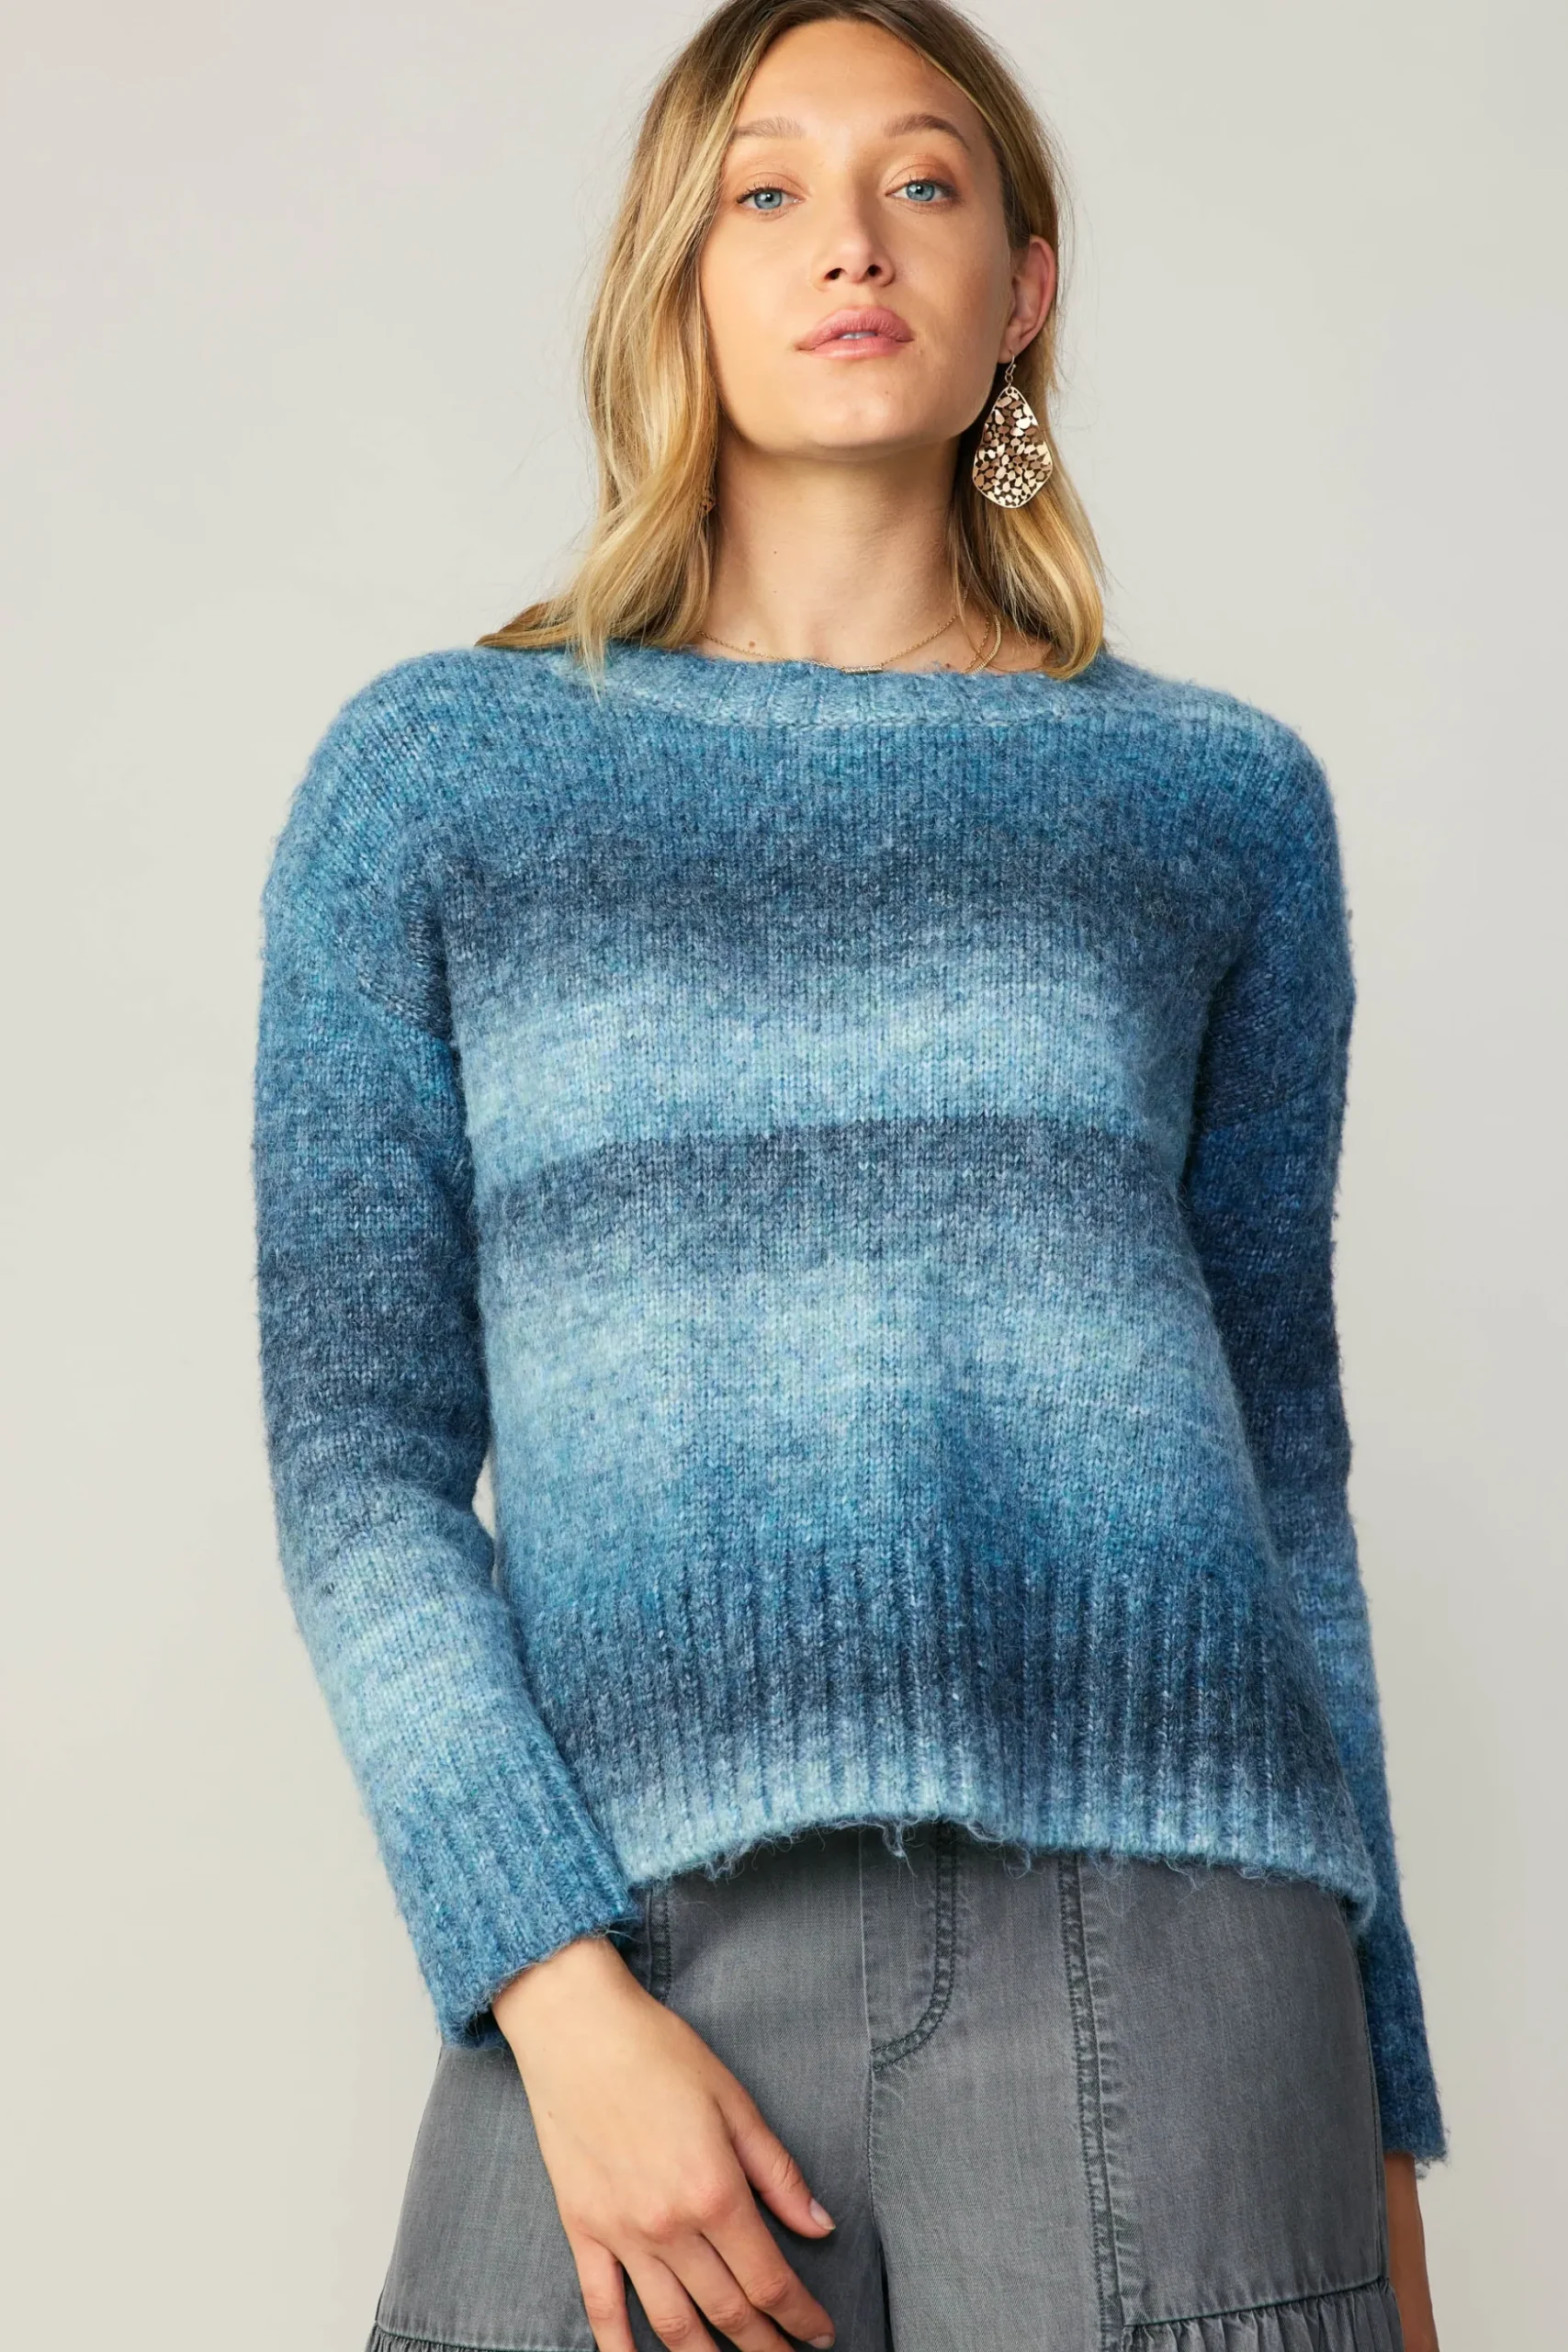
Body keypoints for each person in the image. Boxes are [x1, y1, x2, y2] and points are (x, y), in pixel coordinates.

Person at [250, 4, 1449, 2348]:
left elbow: (1284, 1474)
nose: (850, 242)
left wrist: (1385, 2117)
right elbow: (356, 1463)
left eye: (923, 181)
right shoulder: (438, 781)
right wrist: (550, 1986)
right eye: (767, 188)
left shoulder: (1215, 806)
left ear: (1022, 288)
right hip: (634, 1952)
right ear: (678, 278)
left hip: (1171, 1964)